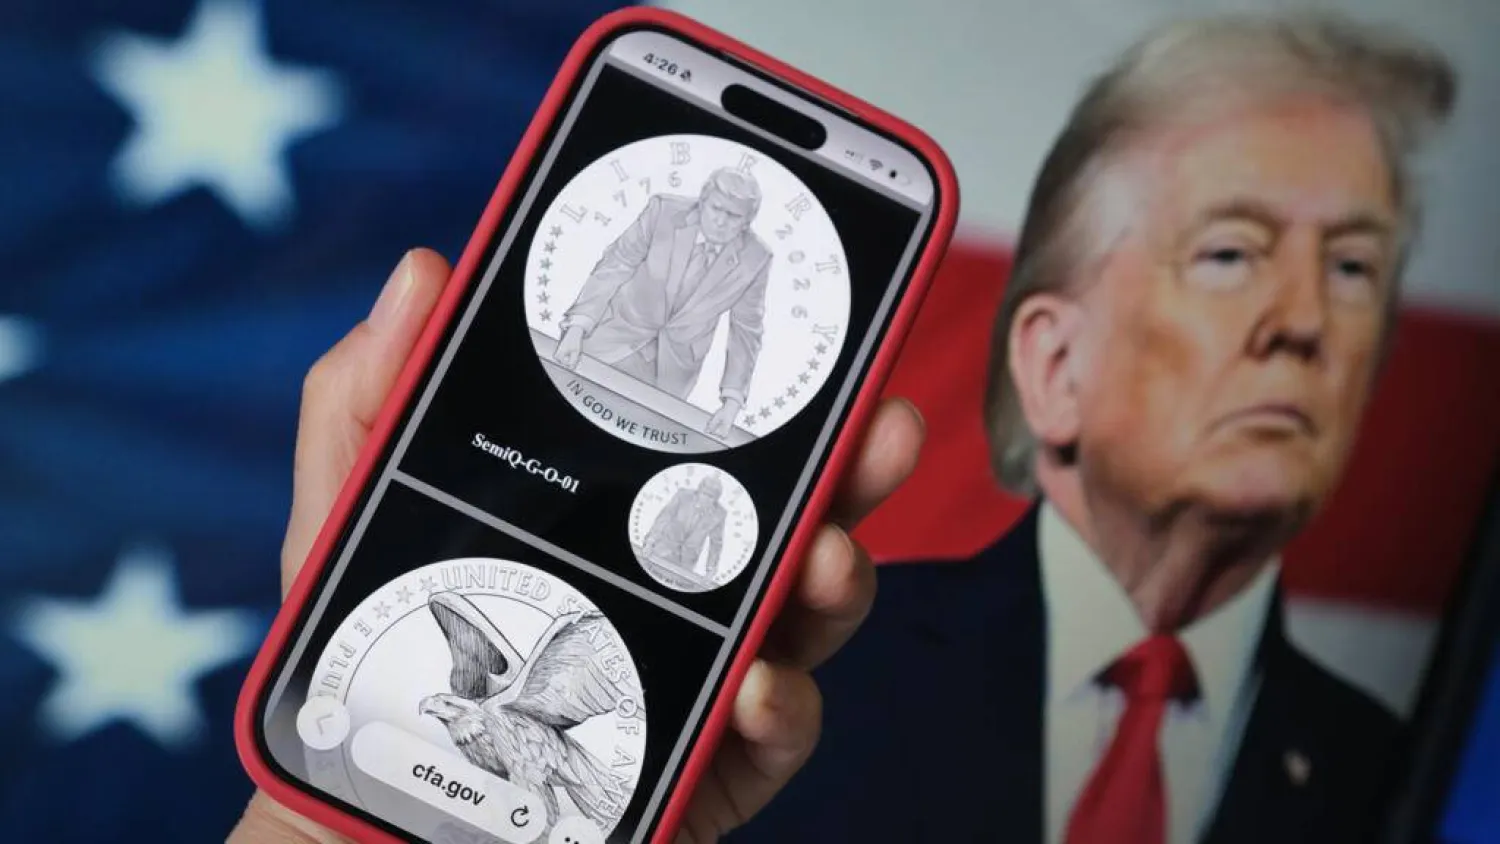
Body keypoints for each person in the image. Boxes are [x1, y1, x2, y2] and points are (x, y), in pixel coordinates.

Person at [730, 12, 1456, 844]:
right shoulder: (805, 682)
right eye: (1231, 254)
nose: (1304, 320)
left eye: (1352, 267)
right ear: (1054, 366)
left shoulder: (1397, 782)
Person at [226, 249, 924, 844]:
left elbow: (744, 332)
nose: (440, 707)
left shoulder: (752, 273)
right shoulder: (656, 222)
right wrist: (308, 831)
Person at [555, 167, 773, 439]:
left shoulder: (757, 258)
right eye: (717, 209)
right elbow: (616, 264)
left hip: (671, 375)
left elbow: (746, 331)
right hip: (610, 340)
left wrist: (731, 403)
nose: (721, 221)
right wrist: (577, 328)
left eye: (733, 216)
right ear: (703, 202)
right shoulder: (663, 211)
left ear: (747, 222)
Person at [644, 475, 728, 580]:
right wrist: (650, 542)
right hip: (662, 549)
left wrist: (711, 569)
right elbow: (664, 518)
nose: (706, 499)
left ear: (715, 500)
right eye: (705, 494)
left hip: (686, 562)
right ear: (699, 491)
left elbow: (716, 543)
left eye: (711, 497)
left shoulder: (719, 514)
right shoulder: (683, 496)